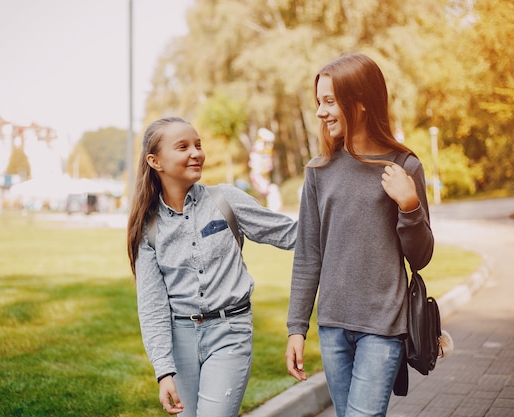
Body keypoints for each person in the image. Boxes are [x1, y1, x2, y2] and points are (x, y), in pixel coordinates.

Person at [285, 54, 435, 416]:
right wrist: (296, 327)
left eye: (329, 101)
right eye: (318, 102)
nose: (320, 112)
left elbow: (421, 257)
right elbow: (308, 255)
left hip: (383, 325)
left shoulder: (404, 166)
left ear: (362, 103)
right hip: (333, 326)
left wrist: (410, 205)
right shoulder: (319, 170)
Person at [127, 116, 297, 417]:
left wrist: (346, 222)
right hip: (180, 339)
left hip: (230, 331)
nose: (196, 153)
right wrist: (164, 371)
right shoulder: (148, 226)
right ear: (155, 161)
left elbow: (290, 234)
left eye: (198, 145)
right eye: (183, 147)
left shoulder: (225, 200)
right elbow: (152, 306)